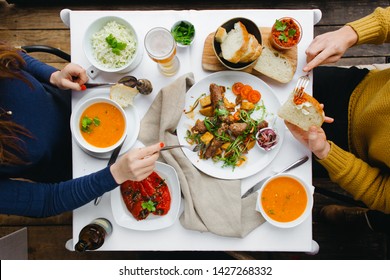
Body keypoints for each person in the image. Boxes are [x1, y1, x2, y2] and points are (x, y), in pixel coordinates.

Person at [0, 43, 162, 218]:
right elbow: (45, 201)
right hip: (77, 173)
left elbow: (11, 56)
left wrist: (53, 76)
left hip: (77, 100)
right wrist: (116, 174)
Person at [285, 7, 390, 233]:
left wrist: (325, 152)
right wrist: (349, 34)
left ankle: (360, 219)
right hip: (358, 88)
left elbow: (381, 191)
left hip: (350, 153)